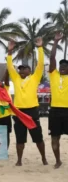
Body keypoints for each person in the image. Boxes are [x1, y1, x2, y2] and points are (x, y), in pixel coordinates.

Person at [7, 38, 47, 166]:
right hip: (18, 112)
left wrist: (40, 48)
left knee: (38, 138)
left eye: (24, 69)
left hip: (32, 111)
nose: (22, 70)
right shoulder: (16, 79)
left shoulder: (34, 78)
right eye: (20, 69)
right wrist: (10, 51)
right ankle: (19, 160)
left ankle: (44, 159)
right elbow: (9, 66)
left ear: (30, 71)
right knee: (20, 138)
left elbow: (40, 65)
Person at [48, 32, 67, 169]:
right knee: (55, 138)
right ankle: (58, 160)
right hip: (55, 111)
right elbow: (52, 57)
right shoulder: (53, 75)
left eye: (66, 66)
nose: (63, 67)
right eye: (61, 66)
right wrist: (55, 42)